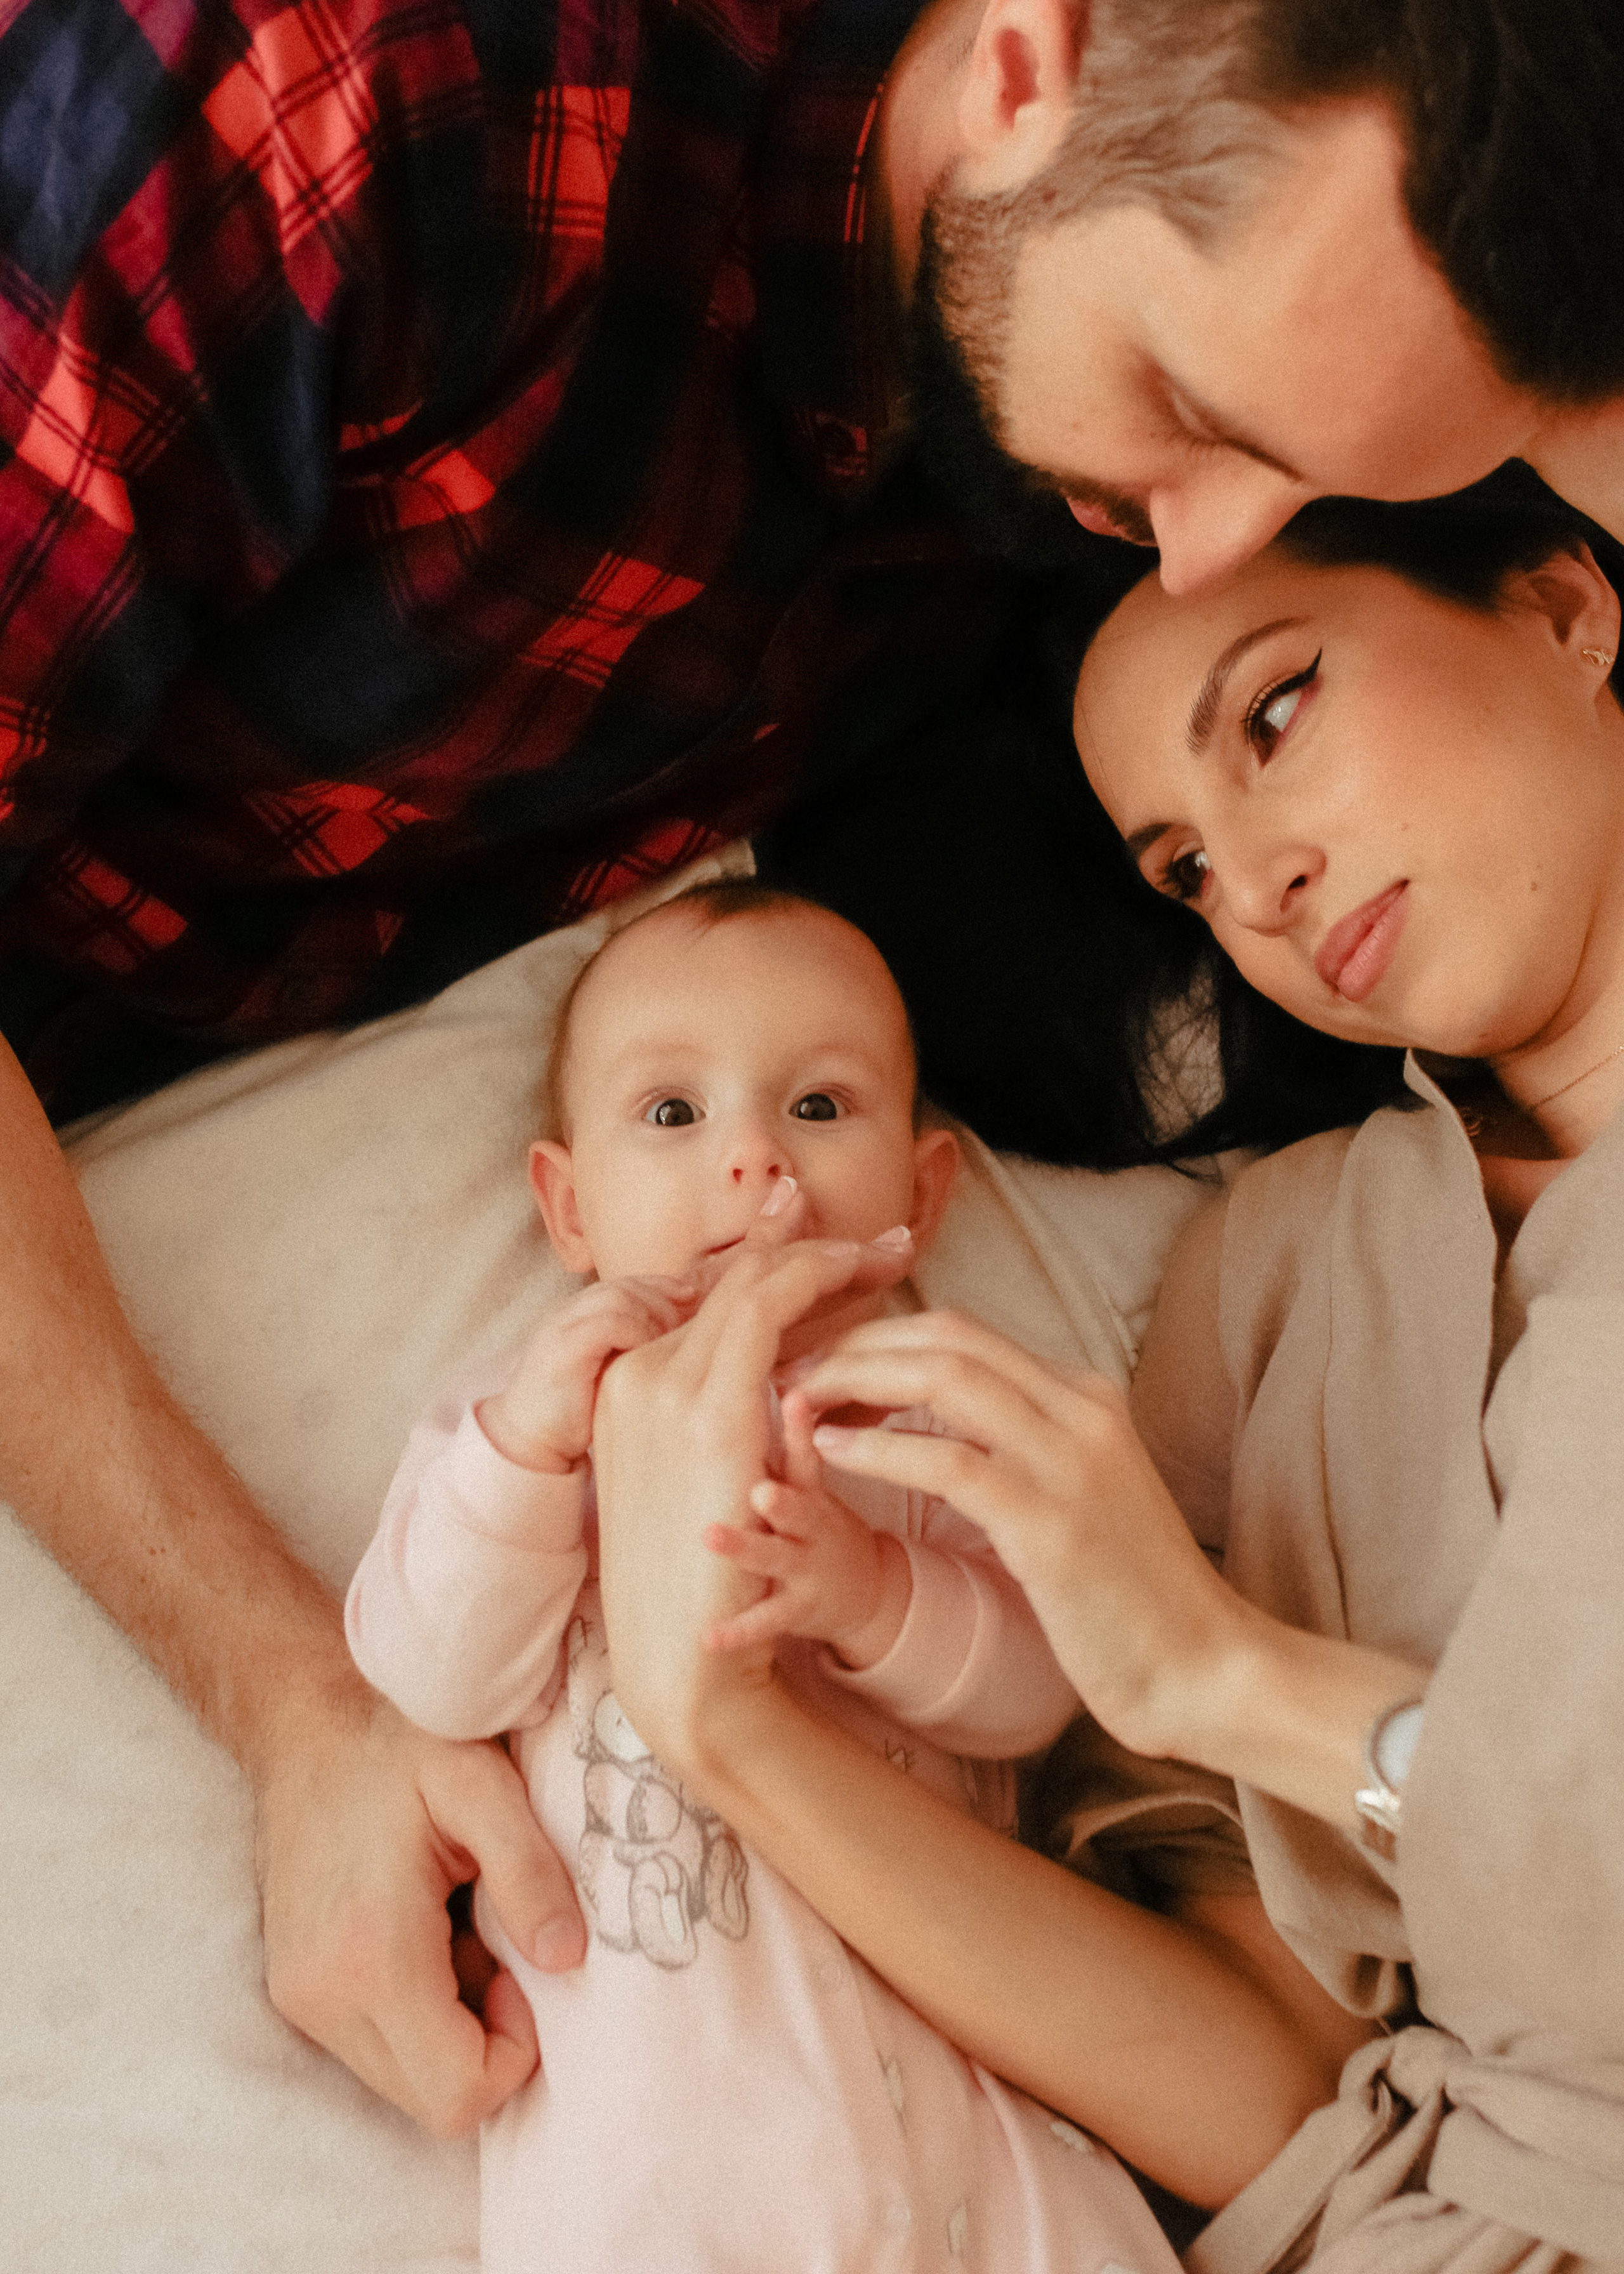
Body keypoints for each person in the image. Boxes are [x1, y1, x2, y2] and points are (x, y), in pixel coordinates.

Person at [6, 0, 1624, 2133]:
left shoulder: (1085, 411)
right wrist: (298, 1702)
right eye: (1196, 415)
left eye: (1316, 480)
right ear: (1040, 55)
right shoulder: (361, 101)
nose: (1205, 541)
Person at [584, 485, 1624, 2266]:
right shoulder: (1284, 1272)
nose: (1262, 887)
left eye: (1277, 715)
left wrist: (1230, 1678)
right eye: (1184, 868)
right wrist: (731, 1732)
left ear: (1560, 607)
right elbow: (1286, 2100)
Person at [344, 877, 1234, 2271]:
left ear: (922, 1194)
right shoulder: (530, 1425)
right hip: (662, 2145)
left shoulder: (929, 1412)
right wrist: (524, 1449)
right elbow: (427, 1669)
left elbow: (1034, 1690)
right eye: (672, 1115)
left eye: (818, 1108)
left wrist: (878, 1594)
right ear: (567, 1207)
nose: (755, 1161)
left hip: (970, 2110)